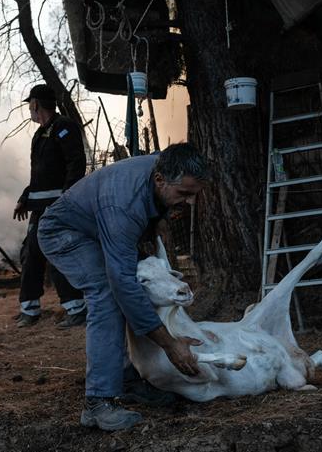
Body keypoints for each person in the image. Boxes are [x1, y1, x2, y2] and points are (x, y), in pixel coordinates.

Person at [37, 143, 209, 431]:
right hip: (63, 234)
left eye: (194, 194)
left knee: (127, 287)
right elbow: (122, 282)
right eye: (184, 194)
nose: (189, 202)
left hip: (98, 229)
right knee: (107, 293)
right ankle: (98, 403)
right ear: (160, 180)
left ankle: (125, 378)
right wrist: (169, 345)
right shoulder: (123, 206)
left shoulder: (164, 165)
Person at [13, 84, 89, 329]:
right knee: (30, 254)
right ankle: (29, 309)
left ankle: (76, 308)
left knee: (54, 253)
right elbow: (39, 176)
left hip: (57, 207)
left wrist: (66, 201)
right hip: (39, 207)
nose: (29, 110)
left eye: (30, 105)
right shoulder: (39, 135)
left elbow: (76, 165)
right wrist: (25, 197)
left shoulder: (64, 127)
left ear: (35, 104)